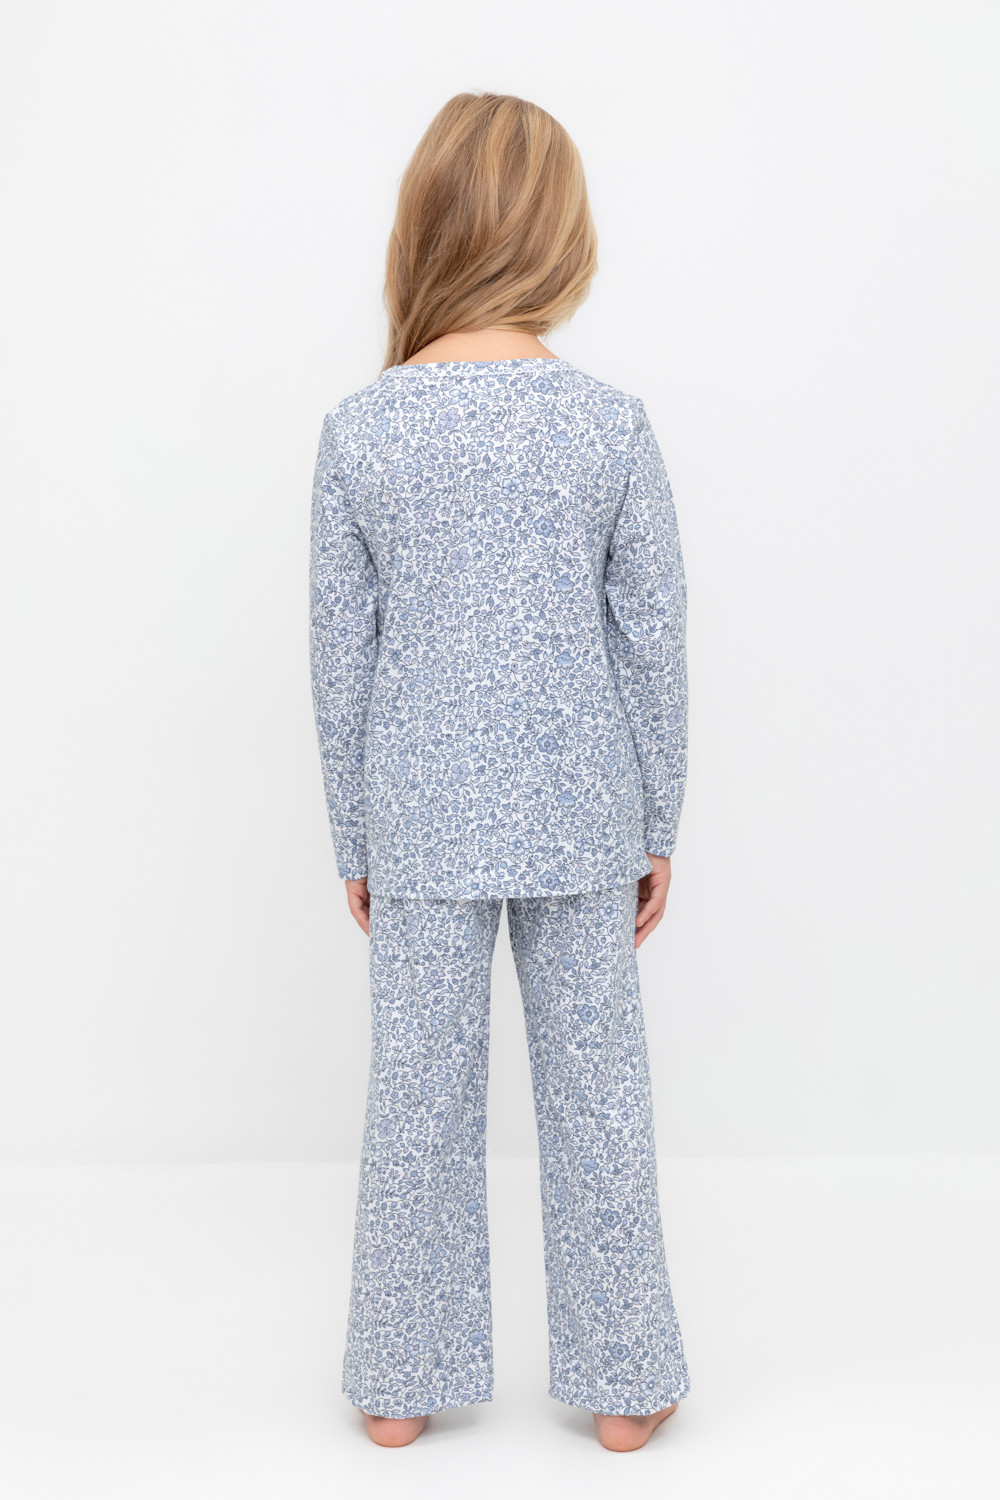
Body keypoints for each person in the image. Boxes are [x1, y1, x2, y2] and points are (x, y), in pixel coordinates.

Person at [309, 91, 690, 1453]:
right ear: (559, 239)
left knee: (415, 1095)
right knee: (600, 1095)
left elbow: (340, 657)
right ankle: (627, 1380)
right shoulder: (609, 426)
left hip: (420, 814)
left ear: (425, 231)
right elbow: (652, 638)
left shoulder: (362, 431)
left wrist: (355, 833)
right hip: (584, 810)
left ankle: (397, 1382)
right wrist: (659, 818)